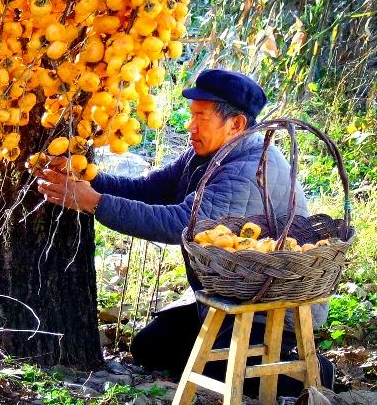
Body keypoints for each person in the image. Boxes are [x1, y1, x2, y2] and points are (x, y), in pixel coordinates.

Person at [34, 69, 334, 396]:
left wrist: (94, 204)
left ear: (236, 125)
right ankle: (237, 354)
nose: (191, 125)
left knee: (219, 368)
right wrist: (87, 181)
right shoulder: (207, 153)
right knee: (152, 347)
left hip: (268, 308)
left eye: (201, 117)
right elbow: (151, 189)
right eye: (192, 116)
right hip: (232, 295)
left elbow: (181, 223)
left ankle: (312, 371)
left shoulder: (250, 170)